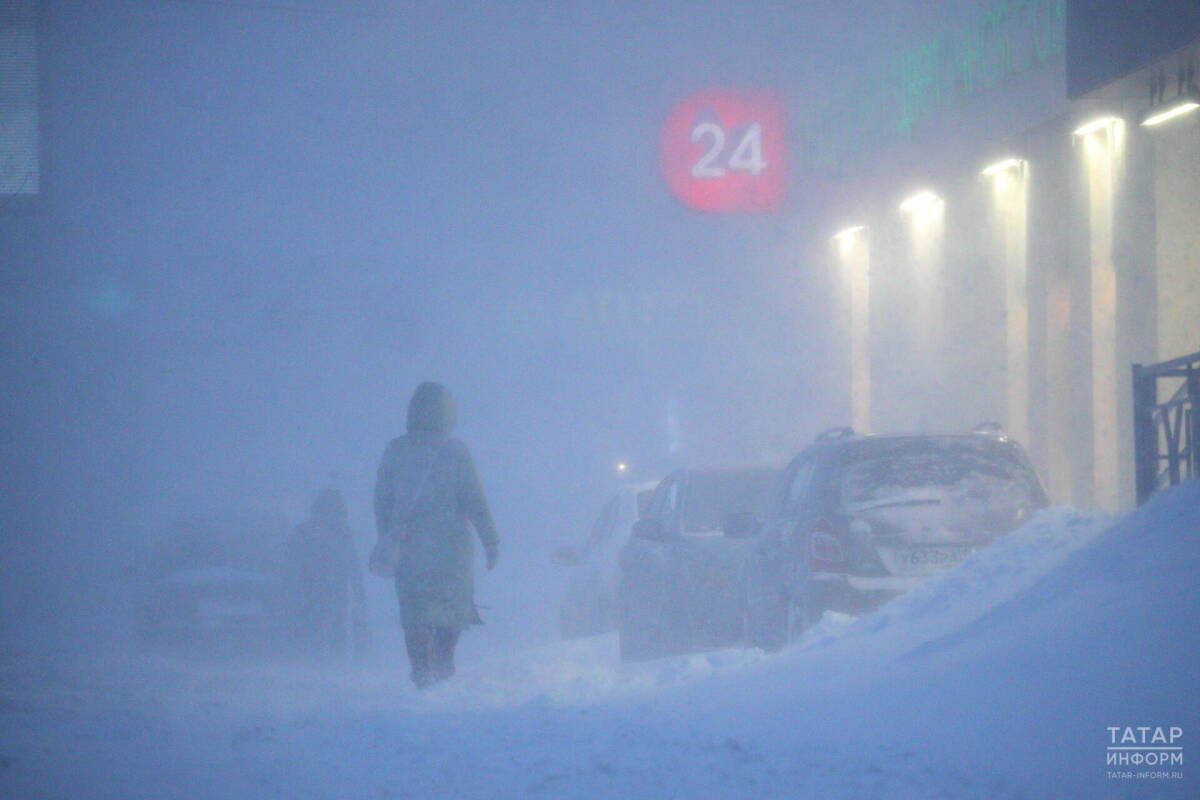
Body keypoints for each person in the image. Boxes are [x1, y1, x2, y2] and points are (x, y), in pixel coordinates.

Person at [374, 382, 499, 688]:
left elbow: (382, 500)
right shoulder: (455, 451)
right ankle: (443, 664)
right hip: (451, 550)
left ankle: (421, 668)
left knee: (416, 611)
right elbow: (474, 499)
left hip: (411, 547)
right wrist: (490, 540)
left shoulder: (396, 449)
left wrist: (386, 536)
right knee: (449, 611)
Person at [283, 488, 370, 660]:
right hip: (326, 589)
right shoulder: (341, 533)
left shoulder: (305, 531)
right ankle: (330, 665)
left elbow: (291, 563)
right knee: (331, 628)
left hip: (319, 589)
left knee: (322, 627)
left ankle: (320, 663)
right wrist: (359, 593)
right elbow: (353, 566)